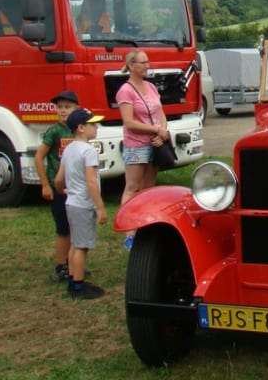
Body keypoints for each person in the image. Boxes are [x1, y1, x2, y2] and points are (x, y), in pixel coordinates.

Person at [115, 51, 170, 250]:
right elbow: (129, 123)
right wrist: (155, 130)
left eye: (148, 62)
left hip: (155, 144)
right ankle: (129, 232)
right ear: (131, 65)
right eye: (143, 62)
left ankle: (145, 227)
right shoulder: (125, 91)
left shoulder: (151, 87)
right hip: (136, 145)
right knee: (133, 188)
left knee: (149, 188)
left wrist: (162, 131)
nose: (147, 65)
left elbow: (160, 112)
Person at [54, 108, 107, 300]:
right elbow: (91, 182)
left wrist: (63, 191)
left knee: (75, 244)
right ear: (81, 128)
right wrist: (100, 207)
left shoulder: (68, 149)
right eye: (93, 124)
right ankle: (78, 286)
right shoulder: (89, 151)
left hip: (71, 203)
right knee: (82, 246)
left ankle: (73, 278)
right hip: (84, 205)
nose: (96, 127)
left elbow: (59, 179)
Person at [34, 90, 78, 283]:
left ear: (76, 108)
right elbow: (39, 156)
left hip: (77, 187)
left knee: (77, 227)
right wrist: (45, 184)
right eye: (59, 107)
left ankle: (75, 263)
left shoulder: (79, 130)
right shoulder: (54, 132)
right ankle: (61, 266)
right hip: (59, 187)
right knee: (63, 229)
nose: (62, 111)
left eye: (67, 107)